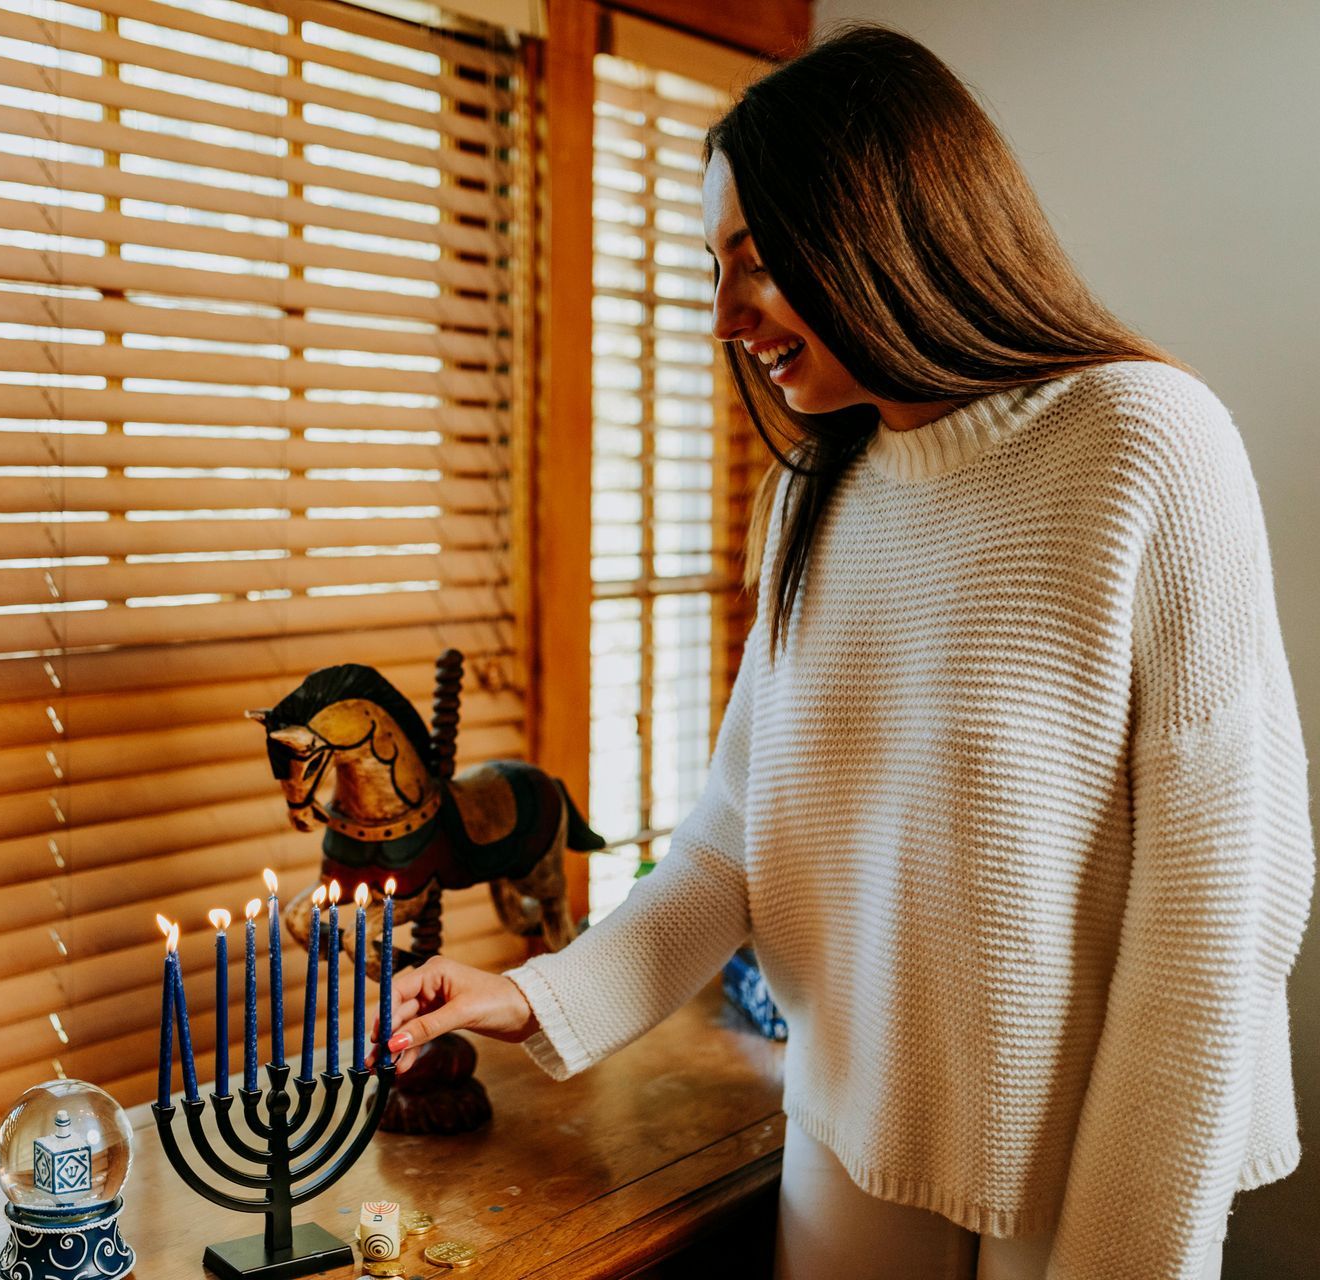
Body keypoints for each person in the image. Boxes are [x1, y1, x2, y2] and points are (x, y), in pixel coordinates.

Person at [379, 21, 1313, 1280]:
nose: (726, 316)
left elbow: (1219, 912)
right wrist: (537, 994)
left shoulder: (1145, 444)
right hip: (847, 1144)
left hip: (1097, 1169)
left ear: (881, 228)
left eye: (754, 263)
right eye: (718, 268)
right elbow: (732, 841)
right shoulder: (815, 493)